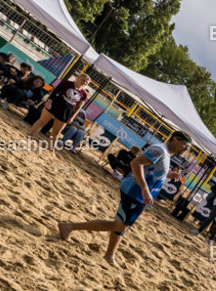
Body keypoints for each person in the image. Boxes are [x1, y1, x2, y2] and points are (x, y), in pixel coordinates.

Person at [56, 131, 192, 266]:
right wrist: (145, 189)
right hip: (135, 192)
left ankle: (109, 255)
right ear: (175, 139)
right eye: (185, 145)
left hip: (139, 195)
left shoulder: (165, 153)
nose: (186, 149)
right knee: (119, 225)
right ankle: (70, 227)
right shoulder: (159, 150)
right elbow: (136, 163)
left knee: (123, 226)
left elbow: (153, 169)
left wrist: (169, 175)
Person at [29, 73, 89, 142]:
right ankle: (30, 136)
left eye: (86, 82)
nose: (84, 82)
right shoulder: (66, 83)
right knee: (41, 122)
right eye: (83, 80)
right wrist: (49, 101)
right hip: (56, 104)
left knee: (56, 132)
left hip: (66, 111)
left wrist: (72, 117)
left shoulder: (84, 94)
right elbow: (55, 92)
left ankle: (51, 149)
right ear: (78, 78)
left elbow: (78, 107)